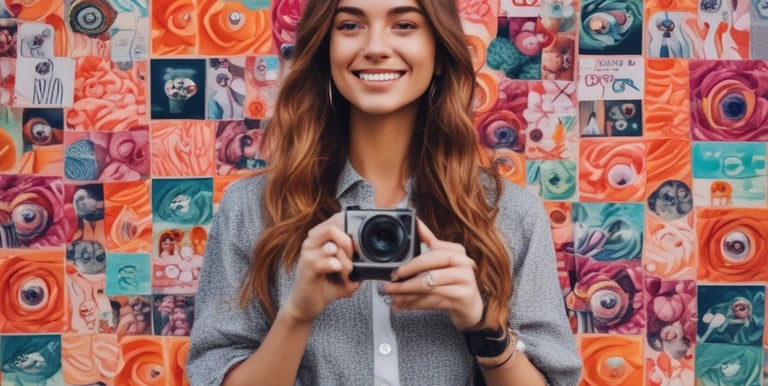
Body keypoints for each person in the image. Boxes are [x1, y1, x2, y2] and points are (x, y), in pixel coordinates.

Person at [186, 0, 582, 385]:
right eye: (350, 25)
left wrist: (483, 325)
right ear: (324, 50)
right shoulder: (250, 210)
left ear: (440, 52)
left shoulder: (511, 214)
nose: (375, 48)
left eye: (404, 25)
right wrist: (297, 314)